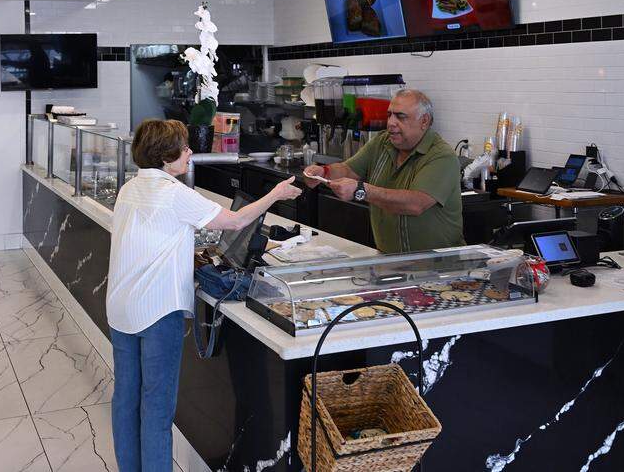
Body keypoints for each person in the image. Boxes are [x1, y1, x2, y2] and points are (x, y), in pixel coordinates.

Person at [107, 118, 301, 471]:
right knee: (157, 407)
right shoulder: (173, 192)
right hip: (157, 312)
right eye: (183, 148)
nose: (189, 152)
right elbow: (237, 221)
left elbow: (154, 234)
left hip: (120, 308)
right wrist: (275, 194)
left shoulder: (129, 188)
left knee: (126, 400)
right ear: (166, 156)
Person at [304, 88, 463, 253]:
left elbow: (415, 204)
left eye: (400, 116)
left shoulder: (441, 156)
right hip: (389, 259)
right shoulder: (382, 142)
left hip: (438, 266)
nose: (391, 123)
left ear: (424, 121)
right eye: (389, 115)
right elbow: (348, 169)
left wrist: (362, 190)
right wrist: (324, 172)